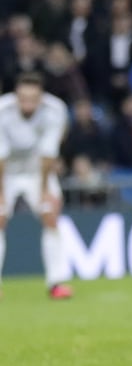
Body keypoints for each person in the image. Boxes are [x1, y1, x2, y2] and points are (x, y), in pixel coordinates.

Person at [0, 71, 73, 300]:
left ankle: (56, 283)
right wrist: (1, 194)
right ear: (16, 95)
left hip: (37, 171)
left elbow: (49, 152)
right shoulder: (2, 110)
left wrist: (44, 192)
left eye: (33, 98)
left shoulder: (55, 110)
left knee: (50, 215)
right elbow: (0, 156)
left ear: (41, 97)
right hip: (6, 171)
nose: (27, 104)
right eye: (23, 98)